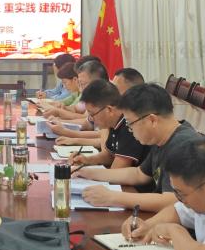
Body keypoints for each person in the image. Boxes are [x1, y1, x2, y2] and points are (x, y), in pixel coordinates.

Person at [67, 80, 159, 210]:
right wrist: (86, 165)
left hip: (140, 197)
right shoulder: (117, 125)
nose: (91, 119)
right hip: (137, 196)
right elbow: (134, 172)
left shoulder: (129, 127)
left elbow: (118, 171)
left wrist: (112, 196)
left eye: (92, 114)